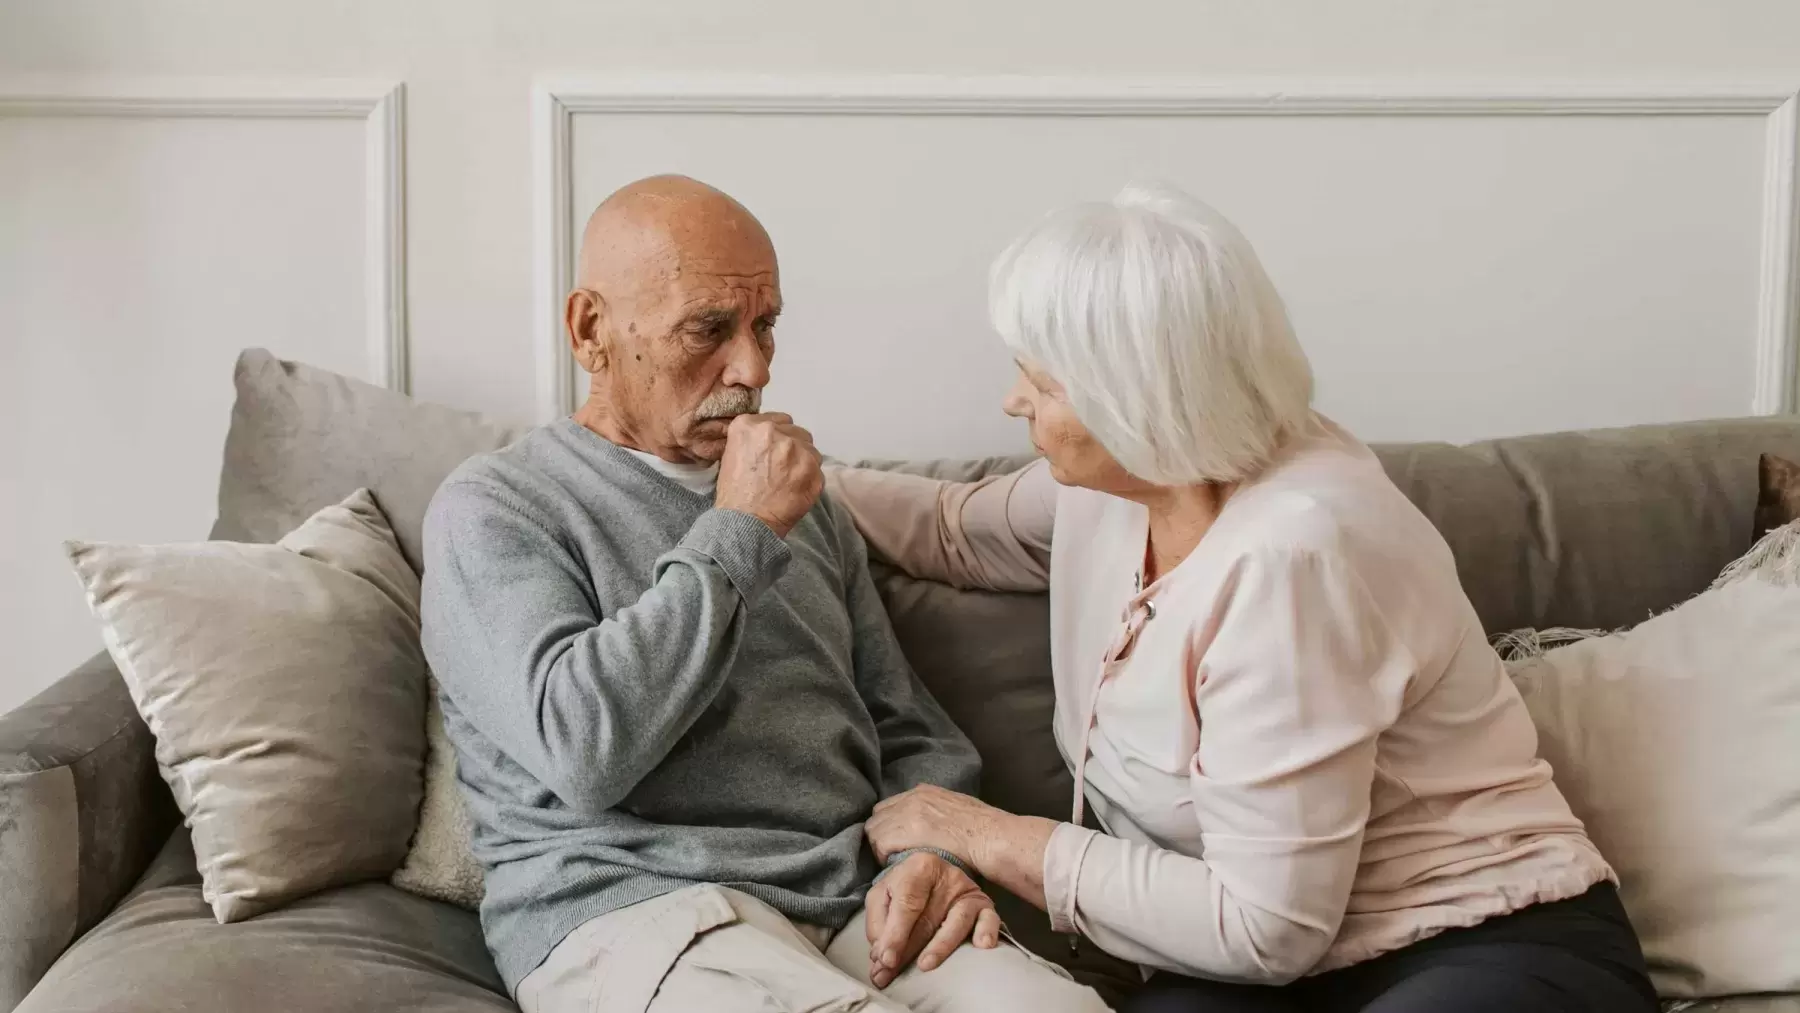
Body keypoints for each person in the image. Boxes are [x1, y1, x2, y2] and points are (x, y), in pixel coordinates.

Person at [825, 183, 1660, 1013]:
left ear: (1132, 399)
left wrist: (985, 832)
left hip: (1478, 939)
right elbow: (953, 530)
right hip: (1251, 967)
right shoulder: (1123, 483)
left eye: (1041, 385)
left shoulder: (1293, 553)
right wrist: (762, 479)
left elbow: (1268, 928)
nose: (1014, 401)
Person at [420, 175, 1105, 1013]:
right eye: (707, 328)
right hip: (641, 910)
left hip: (853, 900)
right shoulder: (497, 506)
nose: (751, 368)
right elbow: (583, 748)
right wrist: (740, 526)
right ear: (591, 329)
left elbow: (911, 729)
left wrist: (932, 856)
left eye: (765, 325)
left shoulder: (800, 500)